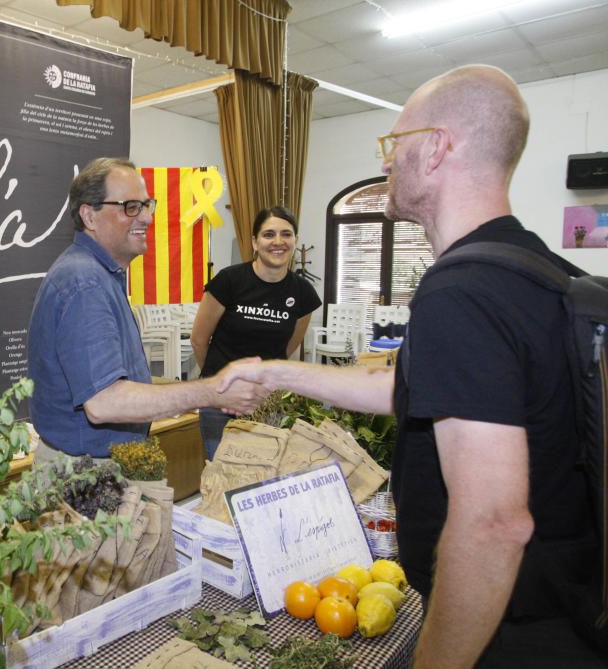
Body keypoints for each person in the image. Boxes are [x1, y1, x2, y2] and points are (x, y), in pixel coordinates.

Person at [215, 65, 603, 667]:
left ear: (439, 147)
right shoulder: (538, 271)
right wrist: (276, 372)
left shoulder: (464, 290)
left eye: (396, 143)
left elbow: (494, 523)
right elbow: (407, 386)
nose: (389, 160)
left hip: (507, 630)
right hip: (564, 601)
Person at [27, 157, 268, 463]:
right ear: (89, 215)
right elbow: (104, 403)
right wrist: (212, 392)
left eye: (146, 205)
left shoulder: (99, 275)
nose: (146, 218)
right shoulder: (84, 283)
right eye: (130, 207)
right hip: (84, 472)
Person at [190, 205, 321, 459]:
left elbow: (286, 349)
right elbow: (198, 339)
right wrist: (219, 380)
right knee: (221, 474)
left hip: (269, 400)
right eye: (269, 234)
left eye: (286, 234)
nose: (278, 242)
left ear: (295, 241)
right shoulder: (228, 281)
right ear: (254, 241)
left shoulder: (303, 293)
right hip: (221, 400)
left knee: (264, 475)